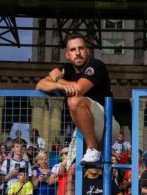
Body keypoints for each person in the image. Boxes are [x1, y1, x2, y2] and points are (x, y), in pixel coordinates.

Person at [35, 33, 119, 162]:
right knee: (71, 168)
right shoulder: (66, 69)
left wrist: (59, 80)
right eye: (73, 50)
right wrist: (59, 84)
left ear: (87, 51)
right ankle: (92, 152)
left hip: (106, 123)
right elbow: (40, 85)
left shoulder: (96, 65)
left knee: (74, 100)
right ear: (67, 55)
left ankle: (93, 149)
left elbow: (79, 89)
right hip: (84, 127)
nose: (78, 53)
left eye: (81, 48)